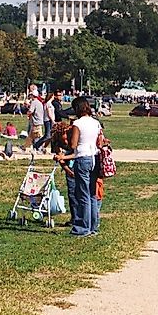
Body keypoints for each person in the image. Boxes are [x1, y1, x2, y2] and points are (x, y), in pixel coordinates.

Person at [66, 96, 102, 236]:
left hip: (82, 157)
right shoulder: (96, 123)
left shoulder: (78, 124)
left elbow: (73, 145)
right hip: (95, 157)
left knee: (83, 194)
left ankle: (82, 227)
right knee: (92, 193)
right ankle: (93, 226)